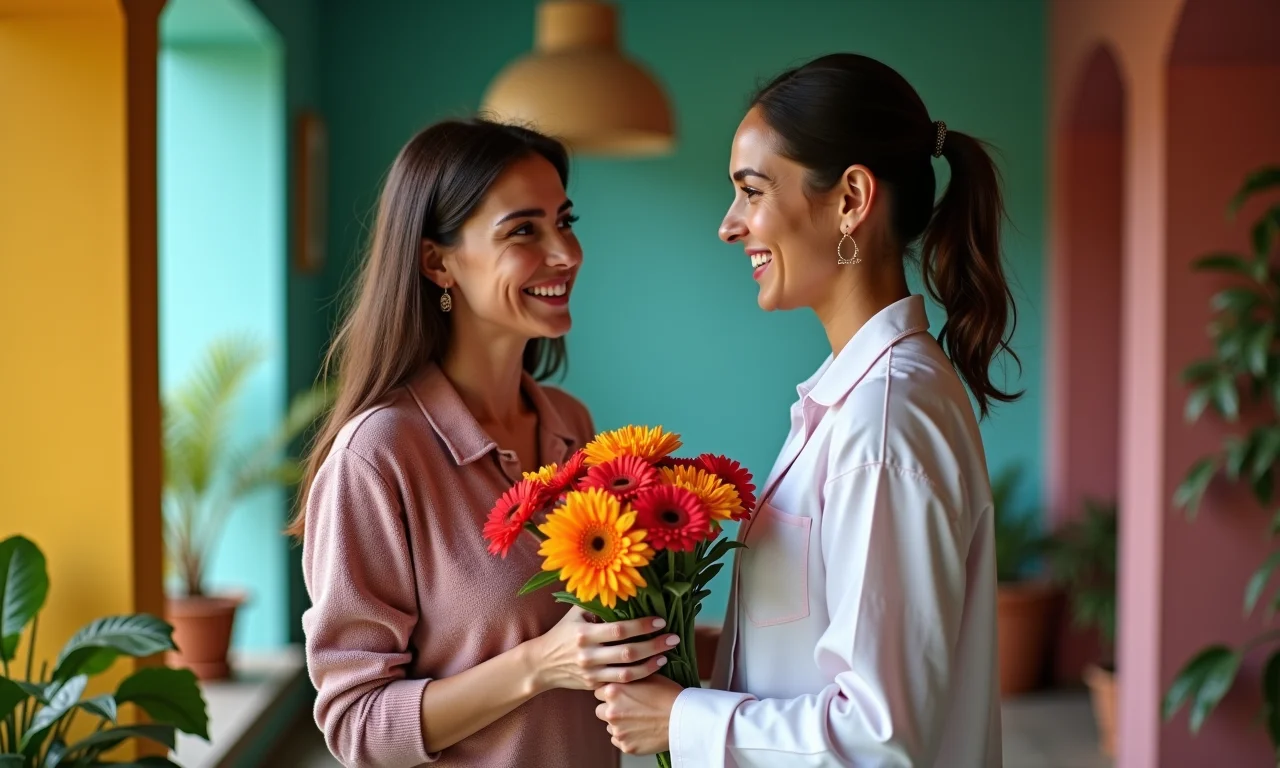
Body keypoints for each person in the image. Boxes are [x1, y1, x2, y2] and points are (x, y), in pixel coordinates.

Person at [595, 52, 1018, 767]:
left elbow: (880, 738)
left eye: (751, 191)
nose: (730, 225)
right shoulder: (861, 399)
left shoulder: (885, 421)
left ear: (851, 199)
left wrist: (683, 721)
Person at [292, 118, 677, 768]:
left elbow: (598, 643)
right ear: (437, 261)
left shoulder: (569, 424)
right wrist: (538, 665)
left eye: (565, 219)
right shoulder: (377, 457)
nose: (567, 253)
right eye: (524, 230)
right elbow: (356, 725)